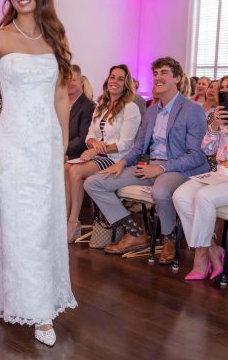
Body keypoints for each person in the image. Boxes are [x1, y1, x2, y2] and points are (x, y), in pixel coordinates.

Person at [0, 0, 77, 346]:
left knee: (41, 224)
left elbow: (61, 95)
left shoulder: (56, 36)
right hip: (11, 141)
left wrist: (62, 143)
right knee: (15, 224)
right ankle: (16, 301)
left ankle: (41, 306)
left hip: (45, 144)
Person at [84, 56, 209, 262]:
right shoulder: (151, 111)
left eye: (164, 73)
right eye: (156, 73)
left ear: (177, 78)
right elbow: (139, 147)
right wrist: (121, 164)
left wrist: (160, 169)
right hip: (149, 166)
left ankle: (168, 238)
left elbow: (196, 154)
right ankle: (135, 233)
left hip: (179, 168)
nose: (157, 77)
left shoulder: (191, 109)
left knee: (160, 191)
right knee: (94, 182)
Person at [65, 64, 141, 243]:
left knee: (75, 171)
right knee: (66, 167)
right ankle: (64, 218)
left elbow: (125, 143)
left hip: (116, 158)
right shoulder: (102, 106)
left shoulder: (130, 108)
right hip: (98, 154)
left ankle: (73, 222)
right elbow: (90, 135)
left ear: (126, 84)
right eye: (112, 77)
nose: (115, 81)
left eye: (120, 79)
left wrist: (98, 149)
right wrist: (93, 144)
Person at [173, 102, 228, 280]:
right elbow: (207, 149)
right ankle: (213, 249)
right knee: (180, 196)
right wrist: (214, 126)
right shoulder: (220, 118)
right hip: (220, 173)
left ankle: (201, 257)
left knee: (203, 197)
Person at [66, 64, 95, 160]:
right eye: (67, 79)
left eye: (73, 80)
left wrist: (61, 151)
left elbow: (82, 139)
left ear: (81, 82)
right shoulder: (60, 104)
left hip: (75, 156)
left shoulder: (88, 106)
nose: (69, 83)